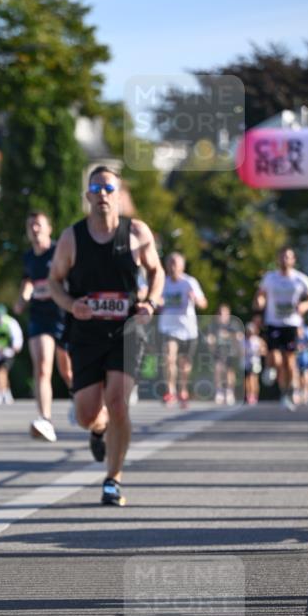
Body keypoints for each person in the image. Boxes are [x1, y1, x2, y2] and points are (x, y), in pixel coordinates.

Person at [48, 166, 164, 506]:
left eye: (108, 188)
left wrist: (151, 303)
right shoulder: (72, 237)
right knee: (87, 414)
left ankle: (113, 479)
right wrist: (71, 304)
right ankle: (98, 430)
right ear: (87, 196)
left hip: (126, 330)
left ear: (118, 194)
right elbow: (54, 280)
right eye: (95, 188)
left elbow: (155, 271)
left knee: (117, 402)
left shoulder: (137, 232)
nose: (102, 194)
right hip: (86, 331)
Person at [14, 211, 72, 443]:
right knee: (42, 367)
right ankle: (45, 419)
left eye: (38, 225)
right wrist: (21, 299)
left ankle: (82, 402)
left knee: (67, 371)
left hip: (63, 315)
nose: (34, 229)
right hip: (40, 317)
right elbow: (28, 281)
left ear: (49, 228)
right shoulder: (29, 257)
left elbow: (71, 278)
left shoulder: (59, 251)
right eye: (30, 226)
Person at [254, 246, 308, 410]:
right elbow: (261, 294)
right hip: (273, 322)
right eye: (282, 257)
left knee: (289, 362)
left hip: (292, 324)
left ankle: (287, 391)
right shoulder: (270, 278)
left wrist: (305, 305)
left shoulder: (300, 279)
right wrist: (260, 302)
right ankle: (272, 370)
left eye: (288, 257)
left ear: (293, 260)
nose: (285, 260)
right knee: (276, 358)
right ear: (278, 259)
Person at [157, 252, 207, 408]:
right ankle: (170, 391)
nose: (173, 266)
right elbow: (155, 301)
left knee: (184, 364)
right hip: (168, 327)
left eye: (176, 263)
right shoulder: (162, 283)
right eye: (170, 263)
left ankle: (183, 390)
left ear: (182, 266)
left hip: (188, 329)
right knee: (168, 358)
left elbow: (203, 303)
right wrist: (158, 302)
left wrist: (196, 299)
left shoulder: (189, 282)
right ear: (166, 266)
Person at [205, 304, 244, 405]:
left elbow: (239, 336)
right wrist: (210, 341)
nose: (222, 315)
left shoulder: (233, 324)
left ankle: (229, 391)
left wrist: (228, 335)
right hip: (218, 351)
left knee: (229, 371)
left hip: (231, 351)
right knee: (218, 369)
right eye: (220, 313)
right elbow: (210, 337)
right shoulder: (213, 325)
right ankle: (219, 391)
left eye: (224, 313)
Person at [244, 321, 267, 405]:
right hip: (246, 362)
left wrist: (257, 352)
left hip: (255, 362)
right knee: (246, 380)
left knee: (253, 378)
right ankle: (248, 395)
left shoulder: (258, 340)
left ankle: (254, 395)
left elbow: (264, 351)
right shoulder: (243, 340)